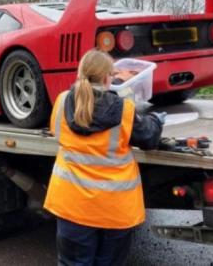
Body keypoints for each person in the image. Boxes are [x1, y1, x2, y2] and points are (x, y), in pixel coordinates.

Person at [44, 49, 165, 266]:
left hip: (71, 207)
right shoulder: (124, 109)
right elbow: (149, 137)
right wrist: (157, 119)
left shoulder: (62, 102)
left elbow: (56, 130)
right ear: (108, 77)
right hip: (115, 211)